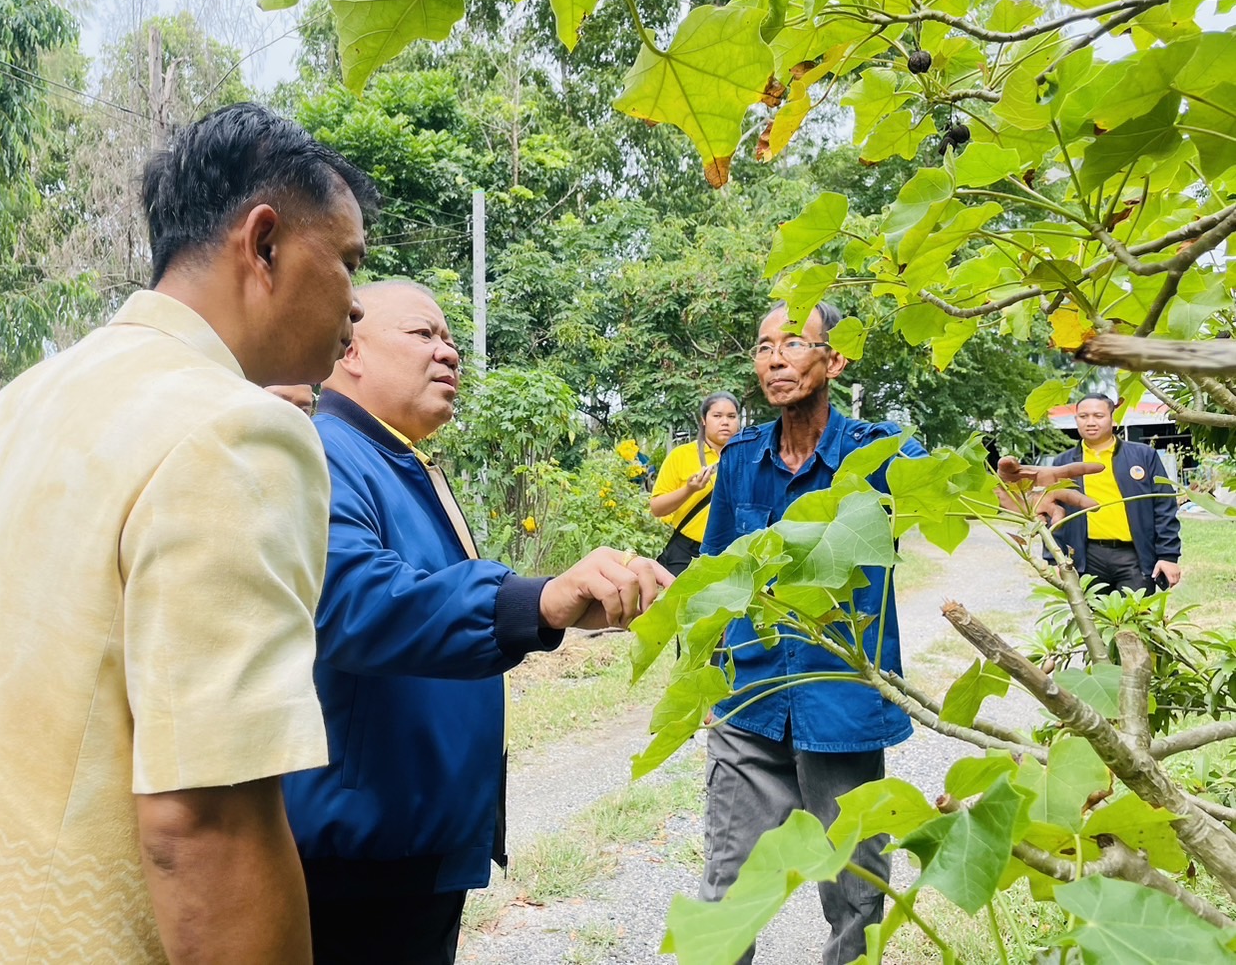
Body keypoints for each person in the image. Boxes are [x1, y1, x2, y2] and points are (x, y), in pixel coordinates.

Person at [0, 103, 375, 965]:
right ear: (266, 243)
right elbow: (205, 822)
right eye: (348, 264)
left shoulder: (11, 411)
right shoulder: (234, 431)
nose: (356, 305)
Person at [284, 279, 670, 965]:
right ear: (350, 350)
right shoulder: (325, 453)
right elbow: (358, 599)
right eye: (422, 335)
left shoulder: (395, 458)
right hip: (360, 858)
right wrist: (538, 601)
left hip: (409, 843)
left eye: (451, 338)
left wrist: (549, 606)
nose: (448, 353)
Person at [697, 301, 924, 965]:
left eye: (793, 342)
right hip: (750, 696)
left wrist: (1023, 489)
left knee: (854, 890)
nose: (773, 357)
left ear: (834, 359)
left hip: (840, 701)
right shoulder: (740, 458)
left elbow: (943, 488)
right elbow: (714, 577)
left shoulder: (874, 451)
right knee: (726, 883)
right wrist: (706, 682)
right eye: (762, 345)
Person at [1049, 392, 1182, 595]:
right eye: (1083, 416)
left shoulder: (1143, 455)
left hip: (1135, 556)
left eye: (1098, 416)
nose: (1090, 422)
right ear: (1076, 420)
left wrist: (1168, 556)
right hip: (1085, 557)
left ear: (1113, 418)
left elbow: (1163, 506)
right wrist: (1055, 559)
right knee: (1092, 623)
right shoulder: (1063, 464)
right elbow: (1053, 512)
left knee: (1135, 621)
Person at [650, 391, 741, 575]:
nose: (725, 422)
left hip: (735, 552)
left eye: (731, 416)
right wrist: (689, 490)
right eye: (717, 416)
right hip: (687, 552)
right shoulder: (681, 455)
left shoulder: (750, 455)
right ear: (704, 420)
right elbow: (657, 508)